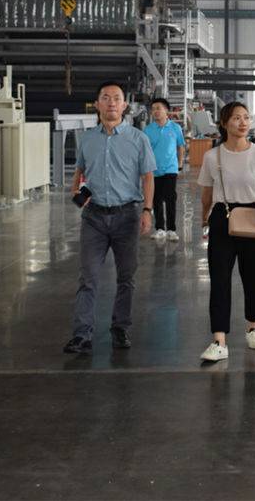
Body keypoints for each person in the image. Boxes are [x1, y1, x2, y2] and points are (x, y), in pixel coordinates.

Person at [63, 82, 156, 354]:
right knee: (88, 277)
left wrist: (147, 210)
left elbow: (148, 177)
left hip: (127, 216)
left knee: (126, 276)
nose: (111, 102)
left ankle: (120, 328)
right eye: (106, 98)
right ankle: (82, 335)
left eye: (117, 98)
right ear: (97, 104)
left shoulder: (138, 139)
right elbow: (79, 170)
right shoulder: (88, 138)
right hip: (94, 217)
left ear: (124, 105)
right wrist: (75, 189)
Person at [198, 102, 255, 362]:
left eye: (246, 117)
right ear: (224, 123)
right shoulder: (213, 156)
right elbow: (206, 194)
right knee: (220, 278)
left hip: (252, 216)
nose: (243, 123)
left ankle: (252, 327)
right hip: (222, 217)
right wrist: (204, 217)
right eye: (236, 118)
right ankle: (219, 340)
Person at [144, 97, 186, 241]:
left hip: (171, 169)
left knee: (170, 198)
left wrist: (180, 164)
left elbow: (180, 146)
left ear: (166, 110)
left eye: (158, 108)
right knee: (156, 199)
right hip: (154, 170)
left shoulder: (175, 128)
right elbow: (145, 151)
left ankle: (172, 230)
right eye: (153, 109)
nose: (155, 111)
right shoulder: (148, 130)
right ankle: (160, 229)